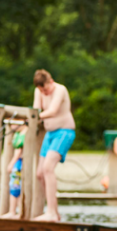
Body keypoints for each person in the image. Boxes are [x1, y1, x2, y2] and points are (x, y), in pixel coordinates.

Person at [32, 69, 76, 221]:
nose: (44, 92)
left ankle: (51, 212)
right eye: (41, 90)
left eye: (46, 89)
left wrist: (32, 117)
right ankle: (53, 212)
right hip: (49, 134)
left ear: (50, 82)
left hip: (64, 131)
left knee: (48, 168)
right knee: (39, 173)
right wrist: (31, 117)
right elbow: (36, 110)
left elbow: (52, 111)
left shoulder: (60, 89)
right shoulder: (39, 91)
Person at [1, 122, 27, 219]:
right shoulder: (20, 133)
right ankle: (17, 212)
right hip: (20, 163)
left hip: (18, 164)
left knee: (15, 187)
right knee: (17, 188)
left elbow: (18, 152)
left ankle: (14, 212)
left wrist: (11, 164)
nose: (11, 126)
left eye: (13, 123)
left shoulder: (24, 133)